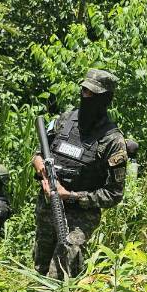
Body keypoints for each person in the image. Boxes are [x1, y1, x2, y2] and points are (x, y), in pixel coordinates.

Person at [32, 69, 129, 279]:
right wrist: (42, 170)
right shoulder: (66, 119)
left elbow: (114, 194)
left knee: (60, 275)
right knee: (39, 271)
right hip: (47, 209)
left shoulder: (112, 141)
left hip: (79, 218)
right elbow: (39, 153)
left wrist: (71, 196)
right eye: (84, 91)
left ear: (106, 99)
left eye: (93, 94)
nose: (87, 97)